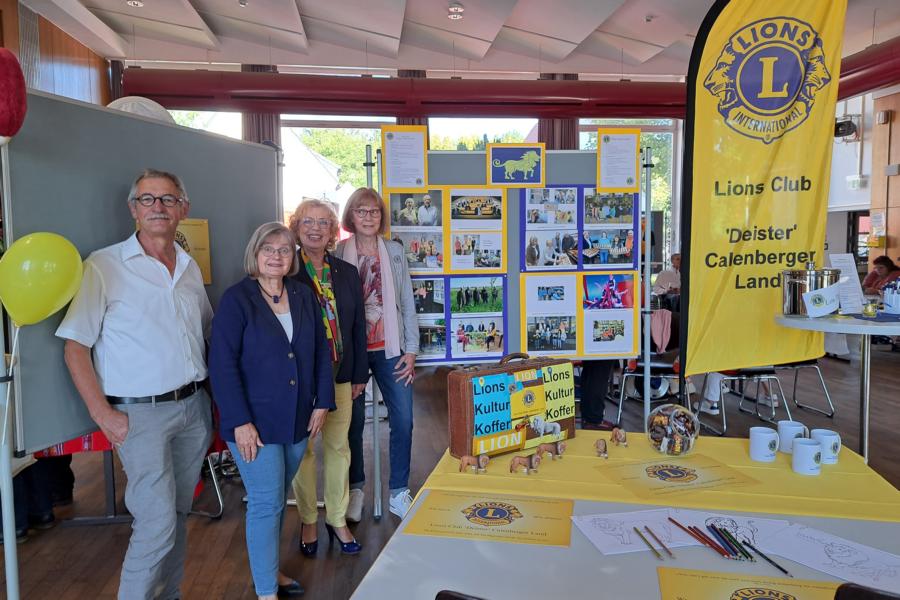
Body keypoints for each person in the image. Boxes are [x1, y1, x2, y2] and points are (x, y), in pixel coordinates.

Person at [56, 169, 213, 600]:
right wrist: (103, 415)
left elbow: (205, 332)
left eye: (167, 199)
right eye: (147, 200)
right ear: (133, 209)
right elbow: (74, 349)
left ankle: (170, 595)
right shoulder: (103, 266)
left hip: (192, 408)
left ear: (184, 208)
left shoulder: (187, 266)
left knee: (178, 515)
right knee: (156, 523)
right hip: (138, 417)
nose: (157, 208)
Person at [210, 222, 335, 599]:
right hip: (254, 424)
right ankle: (266, 591)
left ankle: (269, 571)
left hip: (298, 418)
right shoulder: (237, 299)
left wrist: (323, 401)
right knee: (266, 502)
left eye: (284, 249)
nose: (277, 256)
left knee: (277, 498)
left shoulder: (302, 294)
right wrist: (239, 422)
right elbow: (222, 365)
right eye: (269, 249)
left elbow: (320, 352)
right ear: (255, 253)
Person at [288, 200, 369, 556]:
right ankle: (308, 517)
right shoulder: (285, 270)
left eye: (324, 222)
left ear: (334, 230)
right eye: (308, 221)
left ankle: (336, 518)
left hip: (341, 374)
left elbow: (357, 327)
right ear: (296, 226)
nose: (316, 228)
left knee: (339, 447)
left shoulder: (346, 272)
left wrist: (359, 373)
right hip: (300, 379)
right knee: (303, 451)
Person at [335, 188, 419, 519]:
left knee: (404, 419)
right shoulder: (339, 253)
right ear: (350, 216)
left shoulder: (395, 252)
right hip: (352, 352)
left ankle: (399, 491)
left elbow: (407, 303)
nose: (368, 217)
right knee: (351, 423)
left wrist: (411, 349)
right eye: (361, 211)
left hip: (391, 349)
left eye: (374, 211)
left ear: (381, 216)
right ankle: (355, 489)